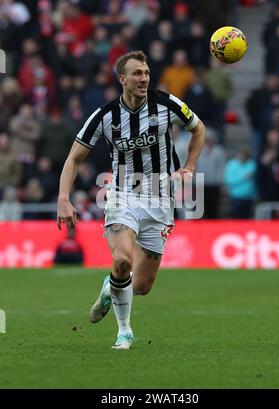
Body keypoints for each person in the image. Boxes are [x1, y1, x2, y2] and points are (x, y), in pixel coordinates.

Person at [57, 50, 205, 349]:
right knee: (123, 259)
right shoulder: (104, 116)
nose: (144, 78)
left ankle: (109, 287)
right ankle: (124, 331)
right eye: (137, 73)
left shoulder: (166, 103)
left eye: (147, 73)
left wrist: (189, 165)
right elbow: (74, 158)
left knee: (141, 286)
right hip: (123, 195)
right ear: (122, 79)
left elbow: (198, 129)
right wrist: (64, 198)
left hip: (161, 200)